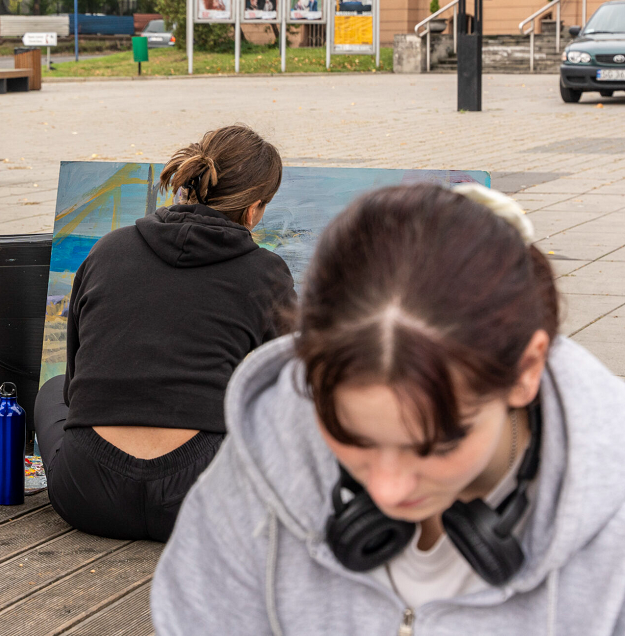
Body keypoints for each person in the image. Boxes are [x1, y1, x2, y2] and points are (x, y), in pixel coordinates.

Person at [153, 183, 625, 635]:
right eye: (350, 436)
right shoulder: (263, 456)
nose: (388, 491)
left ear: (526, 370)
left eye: (436, 446)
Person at [34, 126, 295, 542]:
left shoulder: (107, 250)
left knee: (51, 390)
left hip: (88, 496)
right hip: (200, 504)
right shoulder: (267, 273)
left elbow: (73, 387)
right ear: (252, 211)